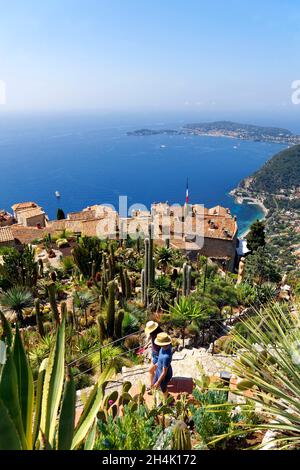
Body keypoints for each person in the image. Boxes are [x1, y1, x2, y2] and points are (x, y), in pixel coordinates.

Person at [152, 332, 173, 400]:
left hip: (163, 375)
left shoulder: (166, 356)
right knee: (154, 384)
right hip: (159, 370)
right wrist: (157, 363)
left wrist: (158, 382)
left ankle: (167, 400)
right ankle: (163, 396)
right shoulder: (165, 347)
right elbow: (160, 358)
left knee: (163, 388)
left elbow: (164, 372)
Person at [145, 321, 162, 389]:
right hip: (154, 354)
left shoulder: (159, 337)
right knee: (154, 370)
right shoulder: (153, 334)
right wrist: (147, 344)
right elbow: (151, 340)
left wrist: (160, 361)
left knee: (150, 370)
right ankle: (154, 384)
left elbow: (163, 349)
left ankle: (152, 386)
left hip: (158, 356)